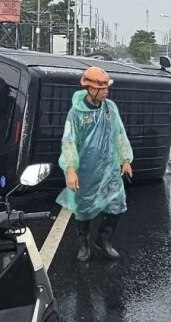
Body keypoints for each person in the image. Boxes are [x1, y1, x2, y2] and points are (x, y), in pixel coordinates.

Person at [57, 66, 134, 263]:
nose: (107, 91)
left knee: (118, 205)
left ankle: (103, 239)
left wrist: (125, 159)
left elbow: (119, 133)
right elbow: (69, 141)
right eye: (103, 87)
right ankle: (83, 244)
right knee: (84, 207)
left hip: (109, 168)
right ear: (91, 89)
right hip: (86, 169)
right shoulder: (76, 113)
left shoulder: (110, 108)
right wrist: (71, 169)